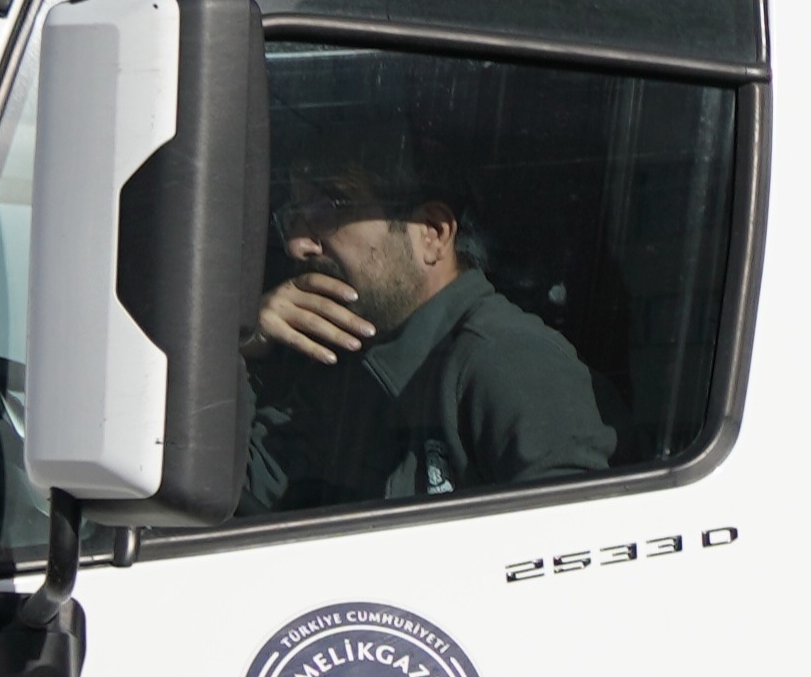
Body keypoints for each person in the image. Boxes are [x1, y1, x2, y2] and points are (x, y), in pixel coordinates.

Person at [249, 151, 610, 511]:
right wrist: (249, 341)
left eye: (325, 212)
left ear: (433, 233)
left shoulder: (509, 360)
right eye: (292, 218)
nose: (296, 245)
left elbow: (569, 540)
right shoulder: (349, 369)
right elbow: (237, 494)